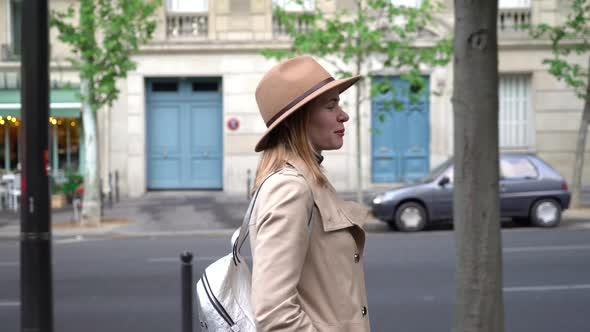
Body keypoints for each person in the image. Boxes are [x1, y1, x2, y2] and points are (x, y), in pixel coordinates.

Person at [249, 55, 371, 332]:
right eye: (330, 106)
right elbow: (274, 313)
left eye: (338, 103)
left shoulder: (308, 178)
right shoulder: (290, 188)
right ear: (296, 120)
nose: (344, 115)